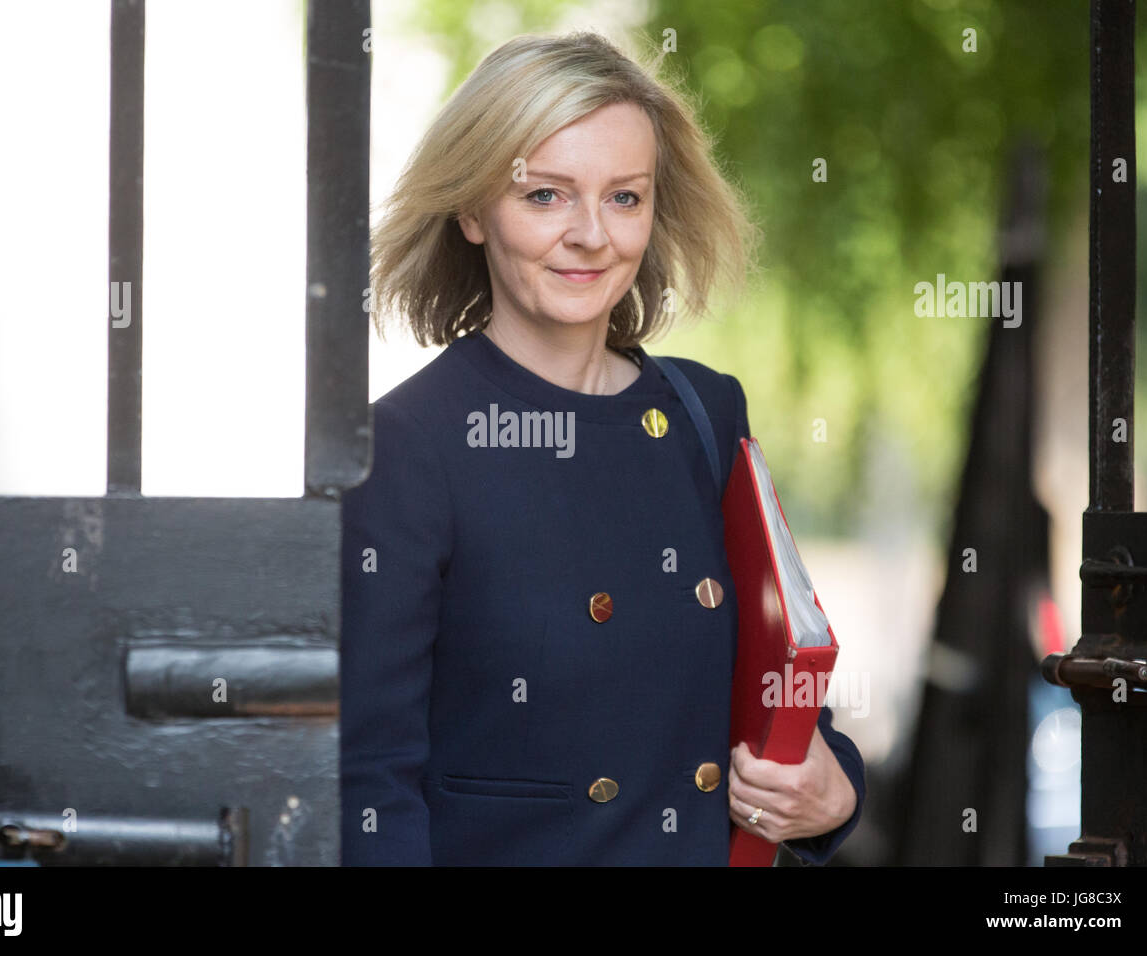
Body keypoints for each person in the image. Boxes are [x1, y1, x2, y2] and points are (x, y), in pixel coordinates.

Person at [341, 30, 865, 866]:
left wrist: (834, 791)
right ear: (473, 211)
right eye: (546, 196)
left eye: (625, 197)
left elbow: (772, 690)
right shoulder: (404, 447)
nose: (592, 234)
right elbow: (369, 783)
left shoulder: (706, 412)